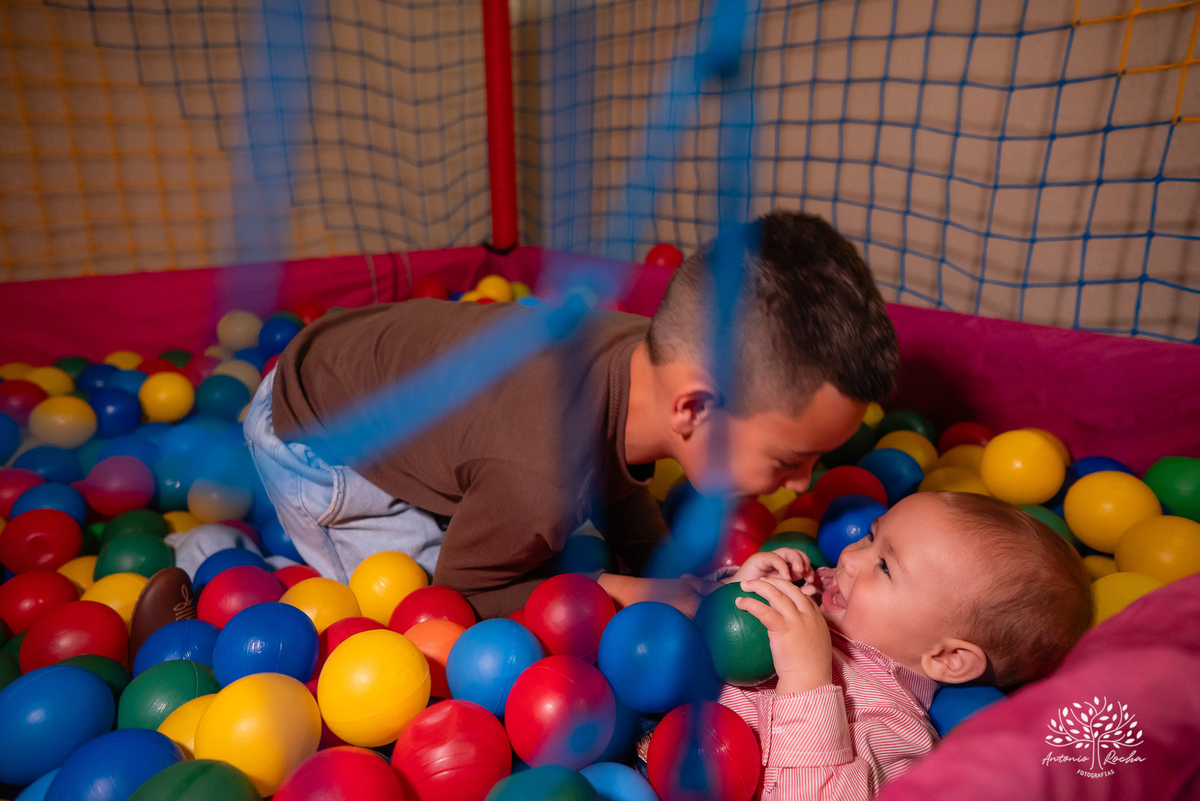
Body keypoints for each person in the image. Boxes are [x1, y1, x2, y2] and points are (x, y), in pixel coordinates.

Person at [243, 210, 899, 618]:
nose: (804, 485)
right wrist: (620, 589)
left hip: (368, 357)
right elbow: (462, 593)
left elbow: (619, 463)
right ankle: (229, 553)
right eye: (789, 460)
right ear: (694, 408)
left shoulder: (641, 357)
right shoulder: (541, 473)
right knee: (413, 611)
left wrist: (666, 568)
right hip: (312, 433)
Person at [718, 491, 1094, 800]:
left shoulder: (895, 731)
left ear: (947, 657)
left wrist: (807, 680)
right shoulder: (819, 593)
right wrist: (736, 593)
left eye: (884, 566)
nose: (848, 558)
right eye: (870, 536)